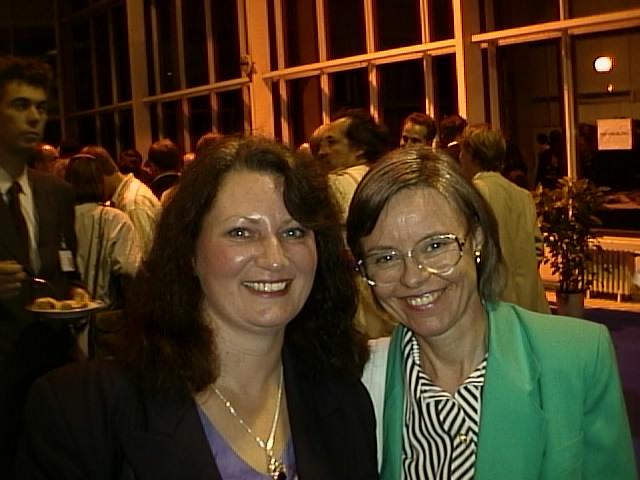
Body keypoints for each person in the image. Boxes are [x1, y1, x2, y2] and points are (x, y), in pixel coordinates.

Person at [18, 136, 378, 479]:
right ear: (189, 252)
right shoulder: (82, 411)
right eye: (241, 232)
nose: (275, 258)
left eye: (294, 232)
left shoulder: (345, 403)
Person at [347, 147, 636, 479]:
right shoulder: (360, 382)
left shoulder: (577, 357)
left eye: (435, 245)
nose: (412, 277)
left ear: (477, 240)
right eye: (385, 258)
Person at [0, 55, 89, 477]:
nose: (34, 117)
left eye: (40, 107)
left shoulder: (57, 192)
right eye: (20, 105)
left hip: (52, 368)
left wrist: (76, 295)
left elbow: (68, 270)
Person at [315, 109, 395, 339]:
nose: (322, 152)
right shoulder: (388, 178)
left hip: (358, 301)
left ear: (359, 148)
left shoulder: (335, 185)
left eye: (332, 143)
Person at [459, 124, 549, 313]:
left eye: (462, 152)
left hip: (493, 303)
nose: (460, 158)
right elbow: (537, 249)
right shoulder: (523, 196)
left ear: (472, 154)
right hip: (529, 300)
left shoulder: (471, 195)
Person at [64, 153, 141, 308]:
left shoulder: (59, 218)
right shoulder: (115, 220)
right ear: (100, 181)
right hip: (106, 313)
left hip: (65, 312)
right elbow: (129, 270)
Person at [81, 145, 160, 255]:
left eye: (89, 182)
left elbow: (143, 255)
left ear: (99, 175)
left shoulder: (132, 204)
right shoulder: (130, 193)